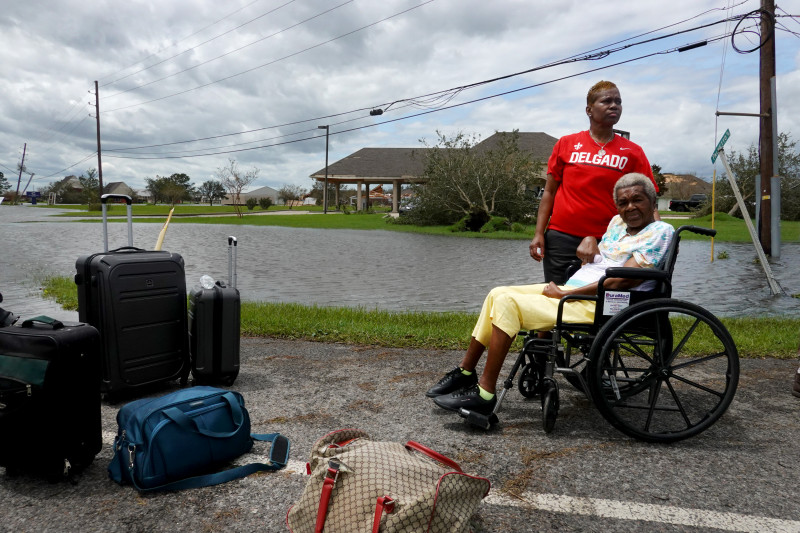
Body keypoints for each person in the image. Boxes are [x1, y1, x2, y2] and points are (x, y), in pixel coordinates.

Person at [427, 173, 674, 415]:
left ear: (653, 202)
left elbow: (620, 280)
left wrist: (568, 293)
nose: (629, 207)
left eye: (637, 200)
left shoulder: (660, 231)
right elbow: (605, 259)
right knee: (496, 292)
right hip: (576, 291)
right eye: (623, 202)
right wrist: (590, 240)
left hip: (600, 302)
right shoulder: (617, 224)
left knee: (507, 303)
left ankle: (485, 394)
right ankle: (465, 373)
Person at [530, 81, 658, 285]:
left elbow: (650, 202)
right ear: (589, 110)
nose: (614, 105)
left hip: (610, 242)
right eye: (606, 101)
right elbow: (549, 192)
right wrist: (539, 234)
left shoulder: (633, 152)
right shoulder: (566, 143)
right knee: (558, 299)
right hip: (562, 238)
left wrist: (657, 235)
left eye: (618, 101)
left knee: (602, 301)